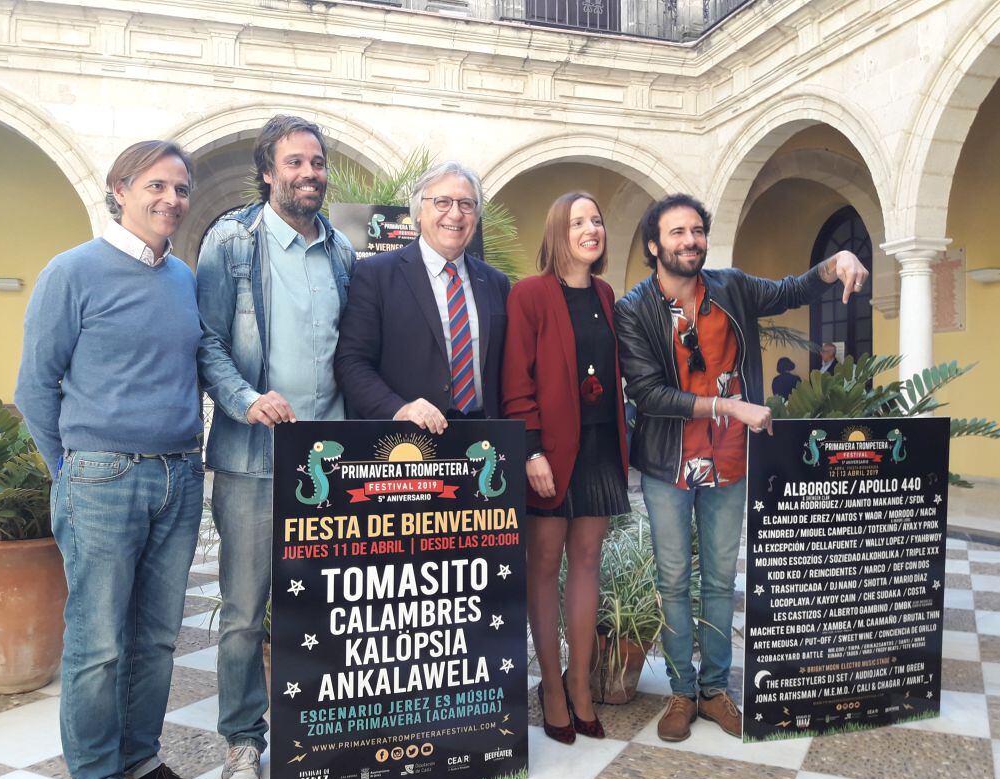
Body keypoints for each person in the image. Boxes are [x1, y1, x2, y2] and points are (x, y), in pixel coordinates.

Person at [614, 193, 868, 743]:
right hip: (668, 464)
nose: (691, 241)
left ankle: (714, 690)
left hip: (731, 461)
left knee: (721, 579)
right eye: (678, 232)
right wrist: (730, 406)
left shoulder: (730, 287)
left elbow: (792, 289)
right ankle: (681, 692)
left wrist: (835, 263)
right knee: (674, 580)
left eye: (697, 231)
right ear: (655, 245)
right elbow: (649, 395)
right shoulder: (634, 307)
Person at [16, 141, 217, 779]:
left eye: (181, 188)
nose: (172, 200)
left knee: (158, 637)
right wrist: (71, 470)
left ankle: (140, 764)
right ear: (120, 190)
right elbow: (36, 388)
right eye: (156, 185)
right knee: (99, 642)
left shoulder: (182, 278)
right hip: (103, 477)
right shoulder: (71, 272)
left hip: (180, 476)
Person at [196, 115, 355, 779]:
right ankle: (241, 742)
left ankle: (317, 727)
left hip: (330, 465)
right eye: (294, 163)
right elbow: (205, 343)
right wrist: (245, 397)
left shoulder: (345, 252)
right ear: (268, 171)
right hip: (254, 461)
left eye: (316, 163)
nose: (308, 174)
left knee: (325, 607)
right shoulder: (230, 245)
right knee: (242, 612)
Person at [502, 192, 629, 743]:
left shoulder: (606, 292)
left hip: (599, 448)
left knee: (587, 561)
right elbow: (516, 379)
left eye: (596, 220)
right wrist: (530, 451)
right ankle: (551, 686)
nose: (591, 229)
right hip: (548, 453)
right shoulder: (528, 295)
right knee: (543, 564)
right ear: (559, 231)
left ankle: (581, 684)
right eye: (578, 221)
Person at [335, 161, 510, 430]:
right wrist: (399, 409)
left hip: (483, 440)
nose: (455, 214)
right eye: (442, 202)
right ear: (418, 211)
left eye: (466, 204)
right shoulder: (376, 275)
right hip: (407, 442)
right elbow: (351, 362)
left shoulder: (496, 283)